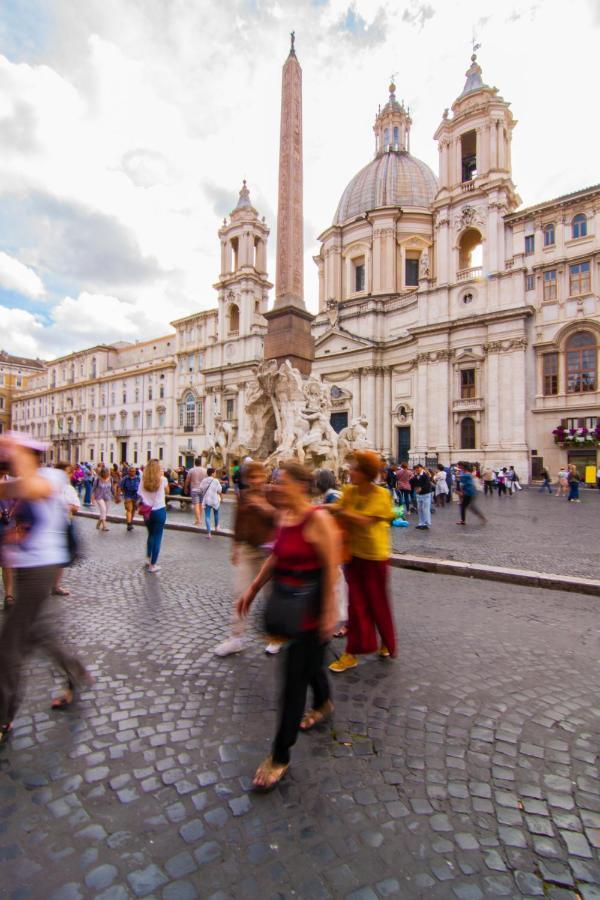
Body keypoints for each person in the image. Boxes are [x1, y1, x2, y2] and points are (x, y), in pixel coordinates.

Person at [236, 462, 339, 791]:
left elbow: (332, 566)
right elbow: (277, 555)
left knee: (293, 682)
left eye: (280, 482)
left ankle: (280, 755)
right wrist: (252, 589)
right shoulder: (284, 517)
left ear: (299, 486)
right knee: (310, 667)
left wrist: (329, 612)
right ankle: (323, 702)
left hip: (311, 609)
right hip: (290, 605)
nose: (274, 486)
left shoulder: (318, 519)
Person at [0, 434, 93, 745]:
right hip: (26, 567)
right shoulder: (25, 480)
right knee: (41, 634)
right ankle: (74, 670)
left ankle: (3, 716)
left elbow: (31, 488)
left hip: (38, 570)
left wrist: (14, 449)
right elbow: (8, 488)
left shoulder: (49, 478)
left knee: (9, 647)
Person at [328, 450, 396, 673]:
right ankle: (351, 653)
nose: (349, 471)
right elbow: (339, 511)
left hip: (375, 557)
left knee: (378, 604)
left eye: (354, 468)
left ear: (365, 473)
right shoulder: (349, 491)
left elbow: (365, 520)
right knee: (356, 606)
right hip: (354, 555)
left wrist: (339, 511)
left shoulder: (381, 495)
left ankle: (386, 642)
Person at [214, 461, 278, 657]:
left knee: (272, 596)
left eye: (258, 476)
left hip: (268, 554)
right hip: (248, 551)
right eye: (251, 477)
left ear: (265, 477)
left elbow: (281, 518)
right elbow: (238, 522)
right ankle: (236, 637)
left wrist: (262, 506)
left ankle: (276, 637)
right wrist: (235, 547)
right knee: (241, 594)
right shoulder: (244, 497)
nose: (255, 481)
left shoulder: (272, 494)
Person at [52, 461, 81, 597]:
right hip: (49, 525)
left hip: (65, 524)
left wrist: (66, 506)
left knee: (61, 555)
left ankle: (55, 585)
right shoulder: (47, 486)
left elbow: (76, 507)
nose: (71, 474)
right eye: (68, 472)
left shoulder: (69, 489)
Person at [138, 459, 169, 572]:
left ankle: (148, 558)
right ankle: (153, 565)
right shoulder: (162, 480)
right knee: (157, 537)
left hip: (147, 511)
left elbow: (140, 494)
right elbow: (168, 491)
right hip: (159, 510)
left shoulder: (143, 480)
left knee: (150, 534)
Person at [184, 458, 207, 527]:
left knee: (196, 505)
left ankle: (198, 521)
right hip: (202, 490)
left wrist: (185, 488)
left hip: (194, 489)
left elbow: (187, 480)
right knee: (200, 505)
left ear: (195, 463)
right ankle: (198, 519)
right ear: (200, 463)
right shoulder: (205, 470)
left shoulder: (191, 470)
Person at [200, 467, 222, 538]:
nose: (215, 474)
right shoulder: (216, 481)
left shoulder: (204, 480)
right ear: (212, 473)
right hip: (214, 500)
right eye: (215, 472)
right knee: (216, 513)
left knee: (207, 516)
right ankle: (216, 527)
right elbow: (220, 490)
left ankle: (209, 533)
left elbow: (201, 489)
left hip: (207, 500)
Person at [410, 463, 433, 530]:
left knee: (425, 509)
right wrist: (411, 479)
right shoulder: (415, 476)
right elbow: (412, 484)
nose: (417, 470)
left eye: (418, 468)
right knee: (419, 509)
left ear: (421, 468)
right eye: (415, 469)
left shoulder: (425, 475)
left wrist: (421, 488)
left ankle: (426, 524)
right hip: (419, 494)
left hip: (426, 494)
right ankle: (421, 523)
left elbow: (427, 484)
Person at [92, 466, 112, 531]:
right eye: (105, 474)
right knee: (103, 510)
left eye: (107, 474)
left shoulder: (110, 479)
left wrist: (116, 496)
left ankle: (98, 523)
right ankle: (104, 526)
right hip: (99, 497)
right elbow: (93, 489)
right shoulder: (97, 480)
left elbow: (111, 488)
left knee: (105, 512)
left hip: (108, 497)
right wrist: (92, 499)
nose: (106, 475)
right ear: (102, 474)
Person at [121, 466, 140, 531]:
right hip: (128, 495)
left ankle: (130, 521)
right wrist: (123, 494)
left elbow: (141, 487)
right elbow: (121, 487)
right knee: (129, 509)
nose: (132, 472)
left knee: (133, 510)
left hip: (136, 496)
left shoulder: (138, 478)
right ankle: (129, 524)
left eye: (134, 471)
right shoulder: (125, 479)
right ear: (128, 472)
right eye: (131, 471)